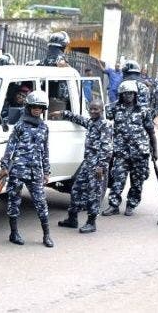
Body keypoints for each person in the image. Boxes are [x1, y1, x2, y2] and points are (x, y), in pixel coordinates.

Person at [0, 90, 53, 247]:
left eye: (40, 107)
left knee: (41, 203)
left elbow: (45, 150)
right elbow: (10, 147)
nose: (37, 109)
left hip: (35, 171)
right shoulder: (19, 126)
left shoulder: (44, 127)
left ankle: (46, 235)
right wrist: (4, 166)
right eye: (34, 106)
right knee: (13, 202)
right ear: (28, 107)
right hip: (17, 170)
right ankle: (14, 233)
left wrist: (47, 171)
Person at [51, 99, 113, 233]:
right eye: (91, 109)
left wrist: (101, 166)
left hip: (97, 166)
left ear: (102, 110)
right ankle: (72, 219)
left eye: (96, 109)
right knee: (76, 189)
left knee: (94, 193)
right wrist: (63, 113)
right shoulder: (91, 122)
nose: (92, 111)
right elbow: (79, 119)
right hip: (87, 163)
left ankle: (91, 223)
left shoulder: (105, 125)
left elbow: (107, 148)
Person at [102, 80, 158, 217]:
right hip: (121, 152)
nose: (128, 96)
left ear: (135, 94)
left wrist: (155, 150)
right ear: (121, 95)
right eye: (125, 94)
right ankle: (113, 205)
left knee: (137, 181)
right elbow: (101, 117)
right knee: (117, 179)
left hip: (140, 152)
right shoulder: (114, 108)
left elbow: (151, 131)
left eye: (131, 93)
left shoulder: (143, 110)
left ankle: (131, 205)